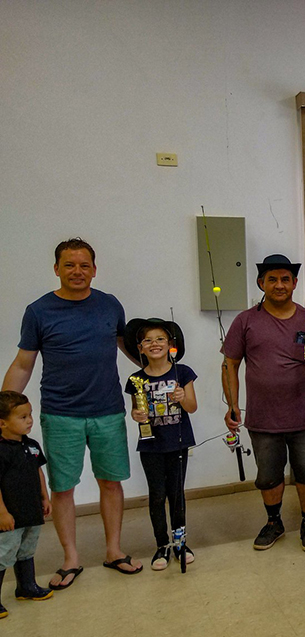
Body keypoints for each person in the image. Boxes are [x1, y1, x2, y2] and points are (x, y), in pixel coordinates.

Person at [3, 238, 142, 587]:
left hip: (108, 410)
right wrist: (2, 408)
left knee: (111, 483)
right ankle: (71, 558)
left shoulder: (110, 306)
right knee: (63, 488)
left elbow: (130, 348)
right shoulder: (39, 311)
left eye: (84, 265)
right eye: (70, 265)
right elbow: (23, 363)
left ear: (94, 270)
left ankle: (114, 551)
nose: (77, 271)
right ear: (57, 269)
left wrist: (164, 371)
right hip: (60, 413)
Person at [222, 254, 305, 552]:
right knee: (269, 475)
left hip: (304, 414)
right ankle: (274, 522)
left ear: (295, 283)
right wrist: (232, 404)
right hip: (263, 417)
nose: (279, 285)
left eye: (285, 279)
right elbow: (229, 364)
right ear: (262, 283)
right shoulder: (245, 320)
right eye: (272, 279)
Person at [123, 319, 197, 570]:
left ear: (170, 345)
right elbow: (136, 411)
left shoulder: (182, 372)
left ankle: (180, 543)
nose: (154, 344)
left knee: (177, 494)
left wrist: (182, 397)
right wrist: (136, 416)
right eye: (148, 340)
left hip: (178, 443)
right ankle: (162, 545)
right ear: (140, 348)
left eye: (160, 339)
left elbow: (192, 407)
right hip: (151, 446)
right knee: (157, 496)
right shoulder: (135, 379)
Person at [0, 391, 54, 617]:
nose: (30, 420)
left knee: (26, 549)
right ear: (2, 423)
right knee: (4, 553)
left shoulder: (31, 444)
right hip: (9, 514)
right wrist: (2, 513)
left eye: (30, 414)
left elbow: (38, 470)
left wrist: (44, 496)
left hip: (31, 509)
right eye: (22, 417)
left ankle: (26, 586)